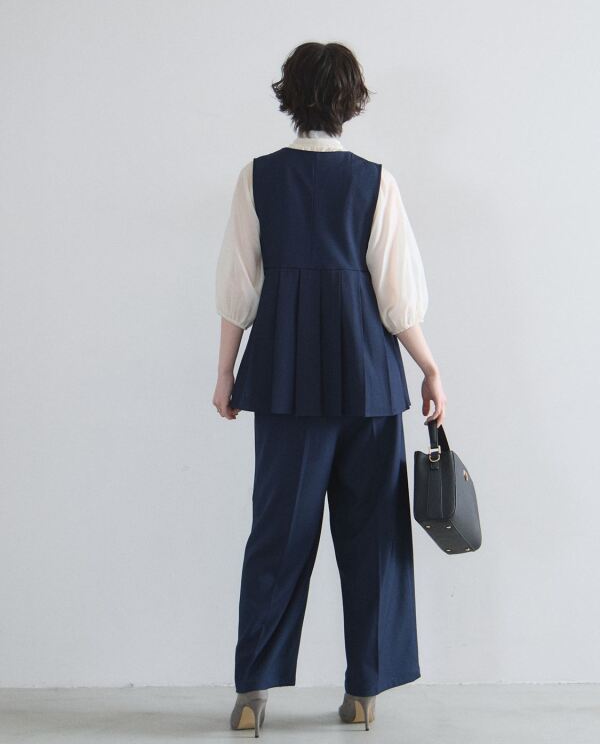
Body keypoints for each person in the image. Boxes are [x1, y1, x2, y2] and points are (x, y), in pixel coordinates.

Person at [213, 41, 447, 736]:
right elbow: (397, 297)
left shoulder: (257, 177)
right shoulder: (375, 182)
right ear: (352, 102)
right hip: (367, 380)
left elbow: (237, 286)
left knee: (277, 536)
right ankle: (364, 692)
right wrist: (430, 367)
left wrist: (225, 371)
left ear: (289, 97)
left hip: (284, 380)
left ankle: (252, 695)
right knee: (373, 539)